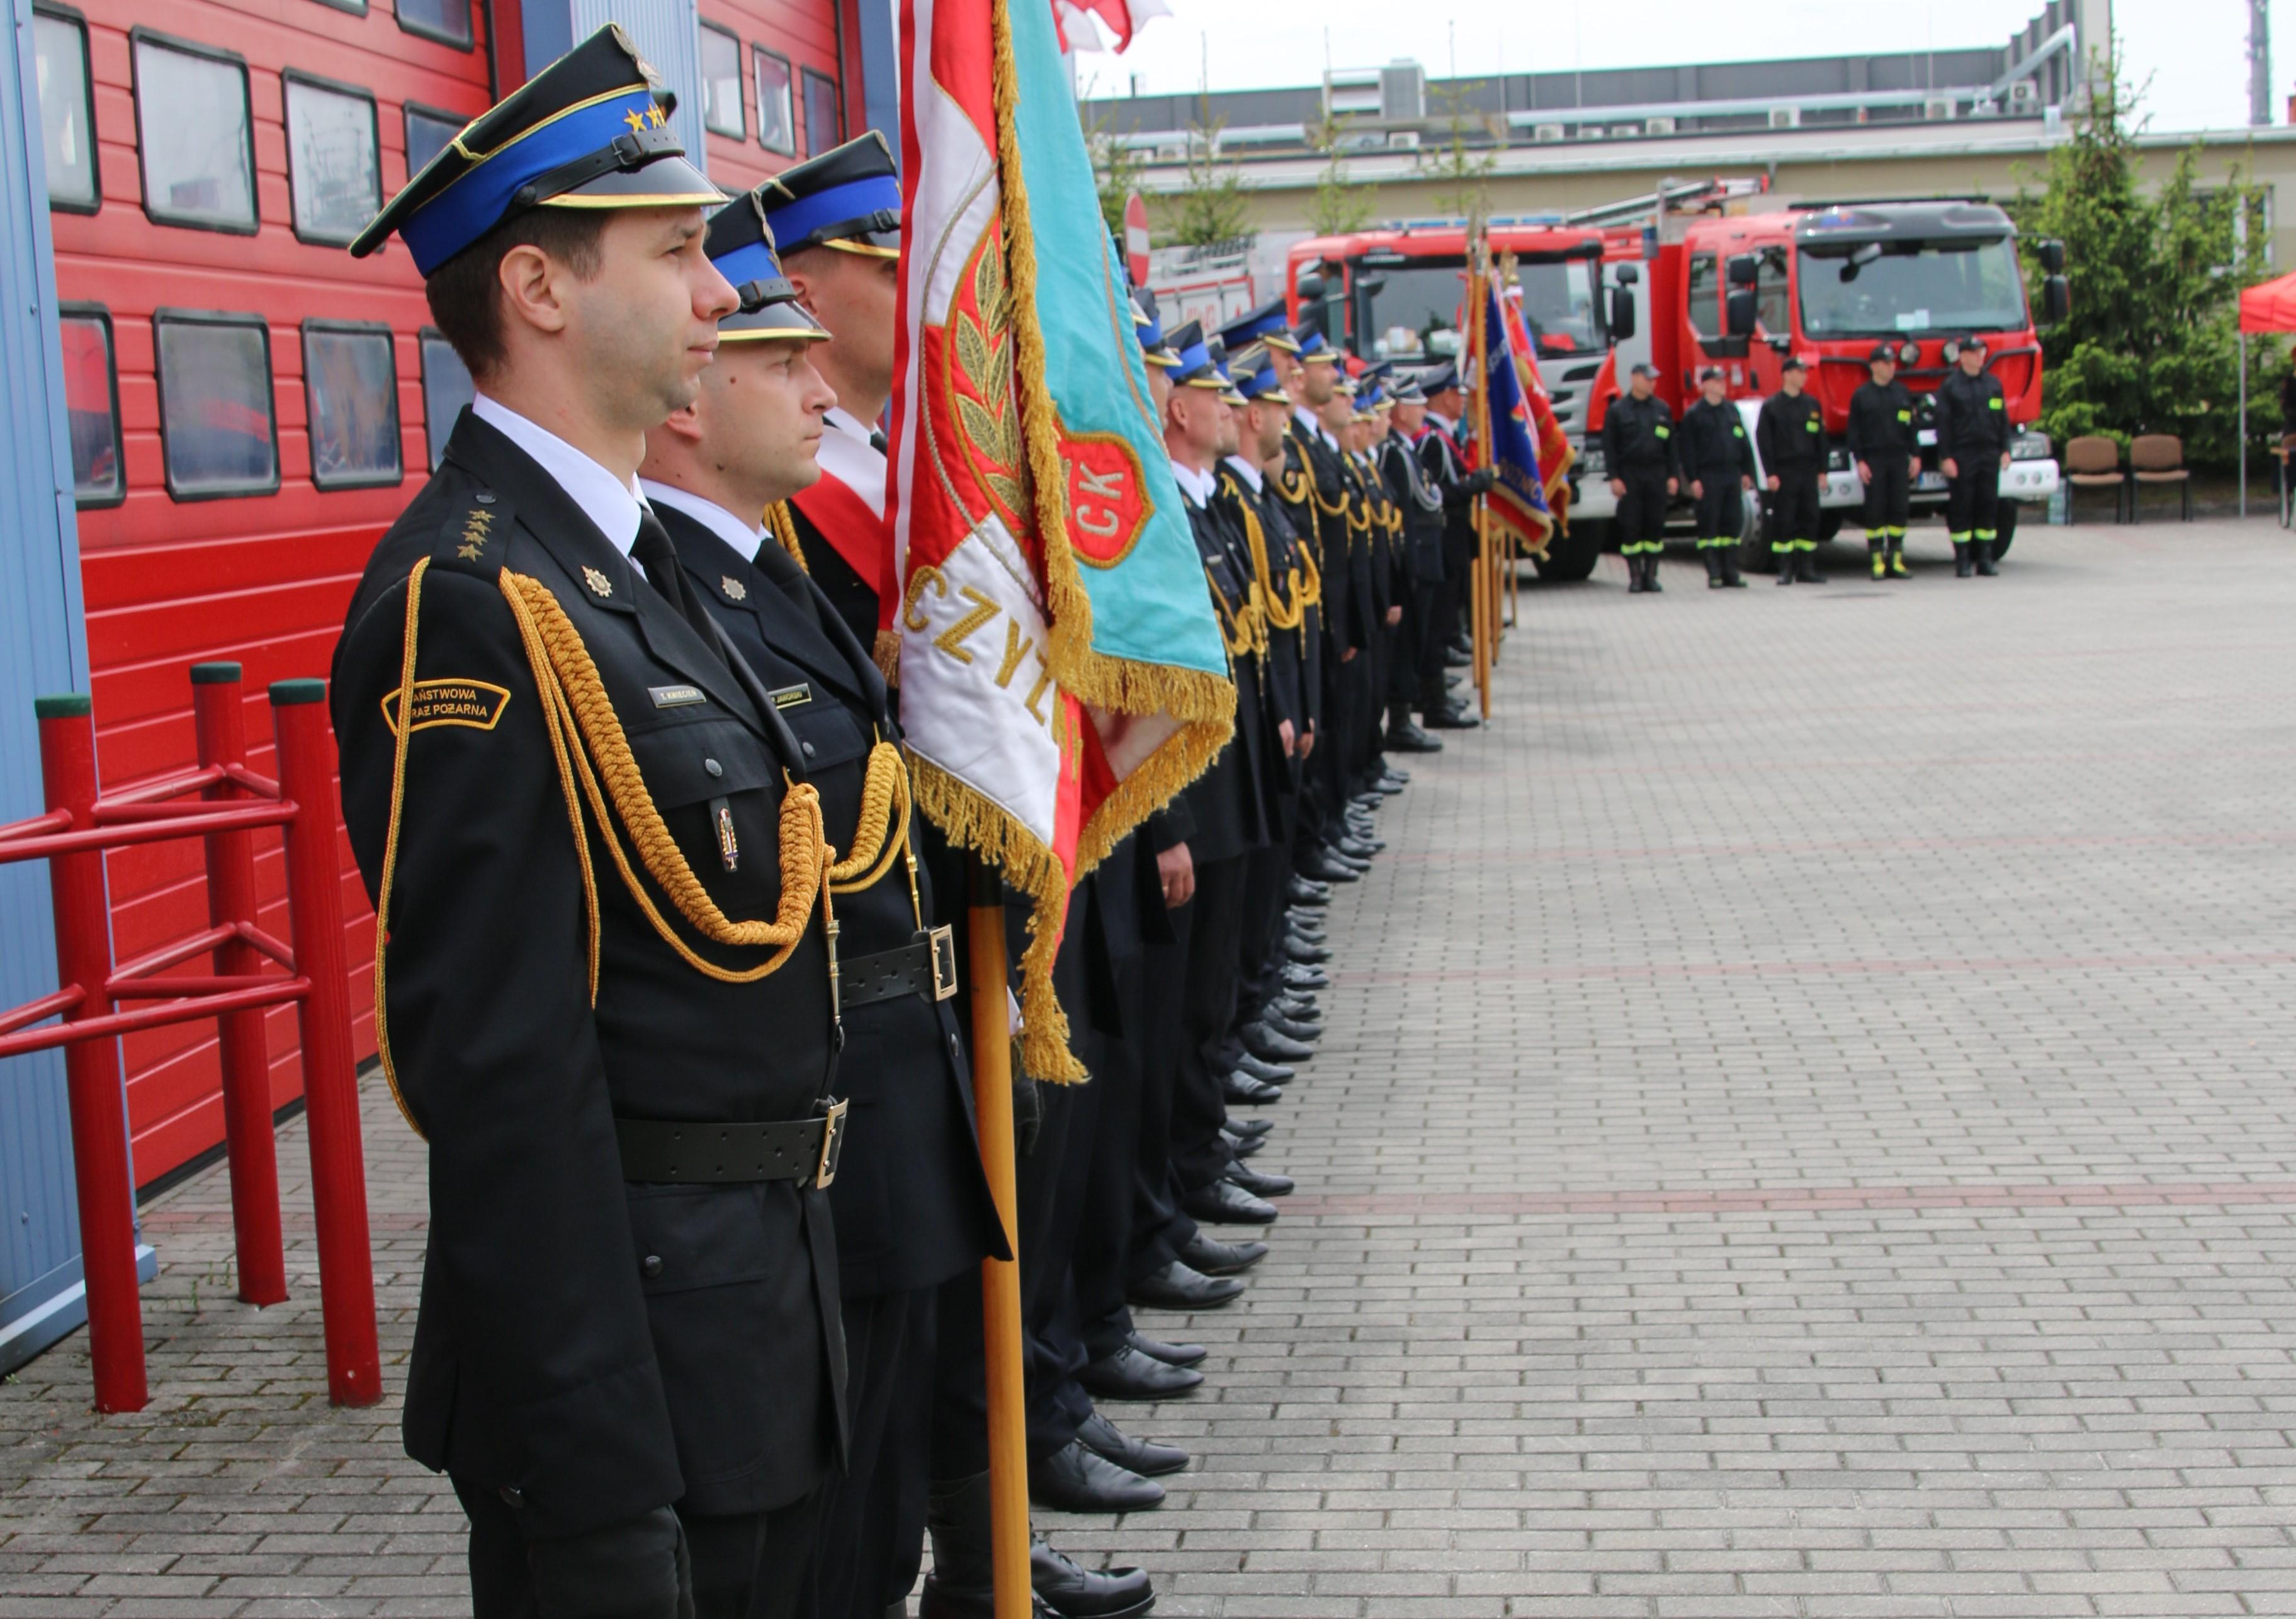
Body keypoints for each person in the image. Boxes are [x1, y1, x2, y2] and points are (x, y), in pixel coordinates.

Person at [329, 28, 842, 1619]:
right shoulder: (472, 599)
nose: (719, 295)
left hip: (753, 1330)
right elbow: (503, 1077)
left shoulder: (631, 559)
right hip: (637, 1385)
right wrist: (598, 1477)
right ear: (538, 289)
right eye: (677, 252)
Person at [633, 195, 1068, 1619]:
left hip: (889, 1103)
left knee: (874, 1518)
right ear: (691, 402)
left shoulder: (757, 574)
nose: (820, 388)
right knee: (837, 1547)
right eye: (781, 362)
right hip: (827, 1133)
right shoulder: (676, 596)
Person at [765, 133, 904, 650]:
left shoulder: (895, 462)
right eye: (894, 273)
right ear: (803, 301)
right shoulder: (774, 491)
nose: (920, 295)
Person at [1935, 334, 2012, 578]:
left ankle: (1985, 559)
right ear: (1963, 356)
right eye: (1975, 353)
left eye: (1982, 352)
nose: (1981, 357)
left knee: (1988, 505)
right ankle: (1963, 560)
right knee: (1962, 506)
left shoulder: (1993, 384)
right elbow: (1943, 426)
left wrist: (2005, 449)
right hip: (1963, 454)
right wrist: (1946, 457)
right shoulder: (1950, 387)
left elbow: (2003, 419)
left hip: (1989, 452)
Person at [1600, 362, 1678, 594]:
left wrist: (1673, 476)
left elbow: (1672, 447)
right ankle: (1635, 577)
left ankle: (1651, 576)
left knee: (1655, 525)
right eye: (1648, 378)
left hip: (1656, 473)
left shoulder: (1662, 409)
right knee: (1632, 526)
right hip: (1630, 474)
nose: (1652, 383)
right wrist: (1614, 477)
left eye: (1654, 379)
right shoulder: (1618, 411)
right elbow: (1610, 447)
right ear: (1634, 379)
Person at [1677, 367, 1753, 589]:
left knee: (1732, 523)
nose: (1723, 385)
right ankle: (1714, 572)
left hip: (1731, 473)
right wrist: (1693, 479)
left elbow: (1743, 441)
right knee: (1710, 524)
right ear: (1706, 385)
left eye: (1723, 381)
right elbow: (1688, 450)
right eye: (1718, 381)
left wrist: (1746, 471)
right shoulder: (1694, 415)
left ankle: (1731, 571)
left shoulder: (1731, 410)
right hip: (1708, 475)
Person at [1847, 344, 1917, 580]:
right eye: (1886, 363)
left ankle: (1896, 558)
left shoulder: (1902, 393)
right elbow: (1854, 432)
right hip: (1874, 459)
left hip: (1898, 458)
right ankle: (1877, 559)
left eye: (1893, 363)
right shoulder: (1862, 395)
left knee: (1900, 508)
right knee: (1875, 510)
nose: (1891, 367)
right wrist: (1860, 461)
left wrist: (1916, 456)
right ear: (1874, 366)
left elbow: (1911, 427)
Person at [1756, 355, 1827, 585]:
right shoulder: (1772, 407)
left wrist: (1823, 470)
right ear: (1786, 375)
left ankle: (1806, 568)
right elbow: (1765, 443)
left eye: (1805, 372)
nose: (1804, 376)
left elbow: (1821, 440)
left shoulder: (1812, 405)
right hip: (1785, 471)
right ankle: (1785, 569)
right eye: (1799, 371)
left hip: (1808, 470)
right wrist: (1770, 473)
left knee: (1810, 517)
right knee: (1785, 519)